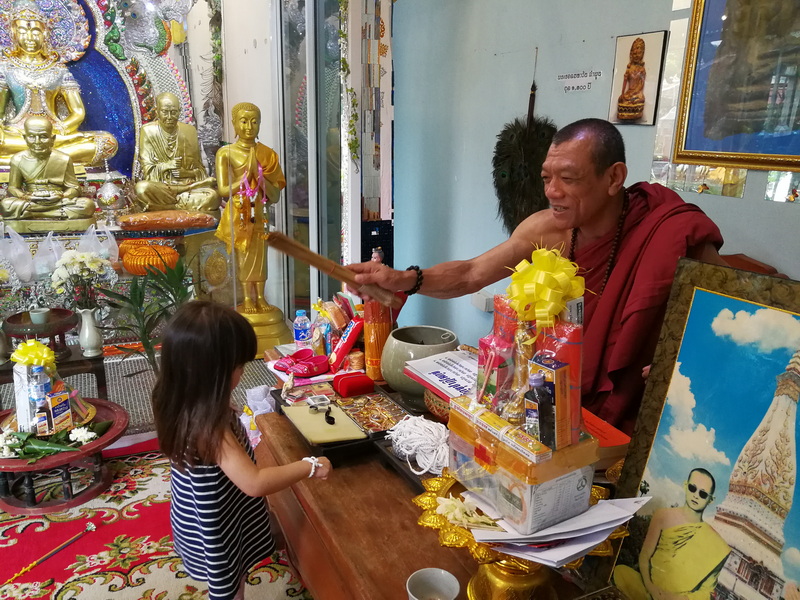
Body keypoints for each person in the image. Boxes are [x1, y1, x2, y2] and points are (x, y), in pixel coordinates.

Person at [348, 118, 724, 434]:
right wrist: (402, 279)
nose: (552, 192)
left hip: (642, 410)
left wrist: (687, 359)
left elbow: (726, 314)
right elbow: (471, 274)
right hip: (552, 397)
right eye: (546, 178)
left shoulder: (669, 231)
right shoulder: (545, 229)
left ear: (614, 177)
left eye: (568, 178)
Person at [152, 300, 332, 600]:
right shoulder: (210, 426)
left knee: (233, 577)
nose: (241, 372)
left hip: (197, 512)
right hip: (218, 526)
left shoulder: (176, 398)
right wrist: (310, 465)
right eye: (238, 366)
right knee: (228, 586)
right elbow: (254, 483)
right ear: (212, 372)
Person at [0, 0, 118, 167]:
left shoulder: (59, 70)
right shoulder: (6, 68)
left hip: (55, 135)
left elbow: (77, 112)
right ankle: (53, 160)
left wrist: (57, 131)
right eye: (23, 31)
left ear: (45, 34)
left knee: (106, 143)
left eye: (35, 31)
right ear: (13, 34)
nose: (30, 37)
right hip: (19, 135)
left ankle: (22, 161)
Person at [613, 468, 731, 600]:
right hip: (648, 588)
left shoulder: (717, 546)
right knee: (621, 572)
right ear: (685, 486)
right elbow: (645, 555)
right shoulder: (663, 515)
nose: (696, 495)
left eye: (703, 494)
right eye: (693, 488)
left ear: (710, 500)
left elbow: (706, 591)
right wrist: (652, 588)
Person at [215, 102, 286, 314]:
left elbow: (275, 196)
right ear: (234, 124)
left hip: (260, 212)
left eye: (254, 122)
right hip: (238, 212)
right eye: (244, 121)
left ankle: (261, 296)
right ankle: (247, 297)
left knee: (260, 256)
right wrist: (246, 177)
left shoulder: (268, 154)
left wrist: (260, 178)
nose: (249, 127)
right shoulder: (225, 153)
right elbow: (223, 189)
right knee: (244, 256)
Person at [134, 92, 219, 214]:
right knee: (141, 188)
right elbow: (148, 171)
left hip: (186, 188)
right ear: (157, 111)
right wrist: (167, 165)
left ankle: (166, 207)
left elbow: (200, 170)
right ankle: (178, 205)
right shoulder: (148, 131)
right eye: (165, 112)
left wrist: (186, 173)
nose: (169, 117)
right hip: (162, 188)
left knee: (213, 197)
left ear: (179, 112)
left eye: (173, 112)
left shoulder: (189, 131)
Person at [1, 116, 95, 224]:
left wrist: (62, 196)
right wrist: (25, 196)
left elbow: (74, 188)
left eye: (43, 137)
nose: (37, 142)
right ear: (24, 138)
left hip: (57, 200)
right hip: (32, 200)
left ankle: (34, 215)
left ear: (53, 139)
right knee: (6, 205)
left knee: (87, 205)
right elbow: (13, 188)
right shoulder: (17, 159)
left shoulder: (63, 158)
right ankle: (53, 214)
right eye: (32, 136)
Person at [617, 37, 647, 121]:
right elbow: (625, 82)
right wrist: (623, 93)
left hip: (637, 93)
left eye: (639, 54)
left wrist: (635, 93)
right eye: (634, 54)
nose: (636, 56)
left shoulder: (641, 70)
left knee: (639, 99)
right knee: (621, 99)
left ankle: (635, 113)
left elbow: (641, 84)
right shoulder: (629, 69)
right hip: (629, 92)